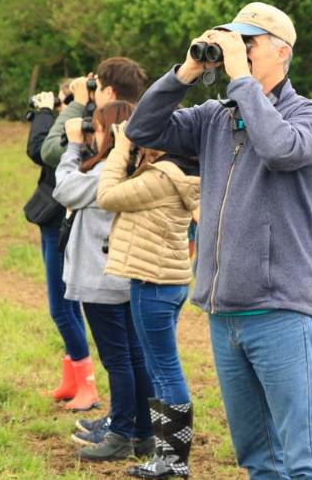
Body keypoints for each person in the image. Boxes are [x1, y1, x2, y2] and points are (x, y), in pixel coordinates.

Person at [125, 2, 312, 479]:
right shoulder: (216, 117)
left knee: (305, 459)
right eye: (233, 43)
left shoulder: (311, 115)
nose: (237, 52)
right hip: (225, 316)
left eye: (249, 43)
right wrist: (185, 72)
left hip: (279, 312)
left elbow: (279, 148)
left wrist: (241, 80)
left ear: (282, 53)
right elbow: (143, 130)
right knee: (258, 459)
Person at [96, 122, 200, 479]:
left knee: (164, 370)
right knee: (161, 368)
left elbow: (107, 196)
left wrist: (120, 148)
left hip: (153, 283)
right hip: (167, 282)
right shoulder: (182, 172)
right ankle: (167, 456)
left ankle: (173, 461)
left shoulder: (163, 177)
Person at [53, 101, 155, 461]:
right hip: (127, 279)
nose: (92, 135)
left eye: (96, 129)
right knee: (135, 356)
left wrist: (73, 147)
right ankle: (143, 432)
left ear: (111, 134)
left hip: (102, 282)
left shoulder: (103, 178)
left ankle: (122, 434)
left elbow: (64, 189)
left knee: (118, 360)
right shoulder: (138, 172)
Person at [24, 89, 92, 406]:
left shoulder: (79, 133)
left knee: (61, 309)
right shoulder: (75, 129)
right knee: (69, 307)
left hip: (60, 223)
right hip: (51, 220)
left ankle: (87, 387)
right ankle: (72, 381)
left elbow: (39, 150)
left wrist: (44, 113)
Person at [41, 57, 148, 169]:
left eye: (97, 87)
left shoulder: (103, 133)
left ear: (108, 92)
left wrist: (79, 102)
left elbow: (49, 151)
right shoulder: (141, 127)